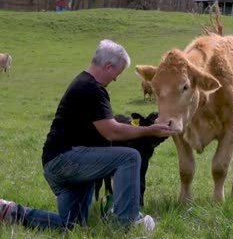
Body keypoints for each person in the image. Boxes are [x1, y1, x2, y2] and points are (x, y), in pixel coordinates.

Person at [0, 39, 171, 232]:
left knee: (70, 225)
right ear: (108, 67)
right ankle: (127, 224)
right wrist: (150, 130)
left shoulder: (83, 83)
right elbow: (112, 131)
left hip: (60, 165)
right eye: (118, 73)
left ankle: (9, 211)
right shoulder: (91, 88)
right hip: (65, 161)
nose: (116, 79)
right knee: (130, 157)